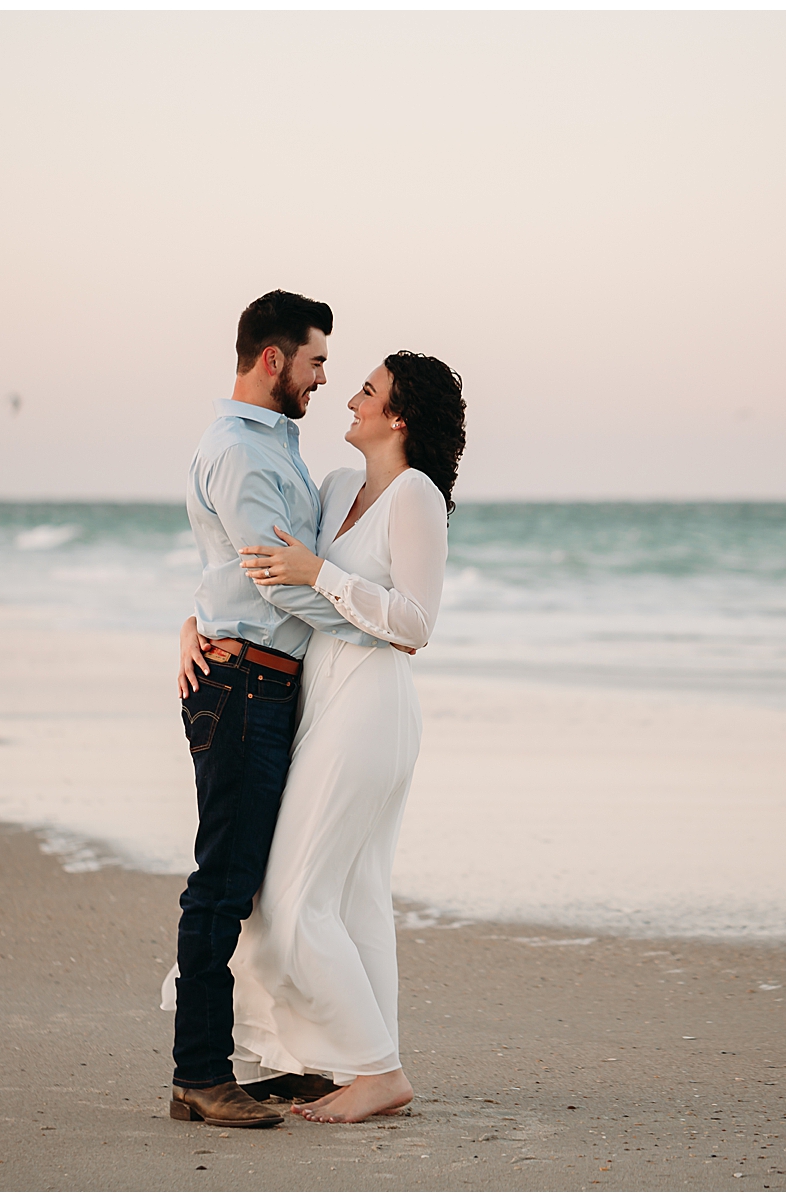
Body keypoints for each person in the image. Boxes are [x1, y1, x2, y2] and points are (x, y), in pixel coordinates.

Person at [222, 350, 467, 1123]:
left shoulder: (415, 497)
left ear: (399, 417)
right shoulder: (336, 489)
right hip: (321, 700)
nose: (349, 398)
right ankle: (348, 1062)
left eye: (368, 390)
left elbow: (415, 625)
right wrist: (201, 624)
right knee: (352, 897)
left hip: (373, 711)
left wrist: (320, 574)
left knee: (290, 902)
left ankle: (378, 1070)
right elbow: (268, 576)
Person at [165, 290, 386, 1129]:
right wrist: (374, 625)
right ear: (273, 360)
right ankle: (197, 1075)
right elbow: (274, 580)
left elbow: (237, 572)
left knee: (256, 887)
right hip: (244, 688)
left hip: (258, 683)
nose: (325, 377)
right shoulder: (246, 454)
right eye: (317, 360)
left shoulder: (271, 445)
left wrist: (192, 621)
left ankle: (256, 1059)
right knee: (221, 889)